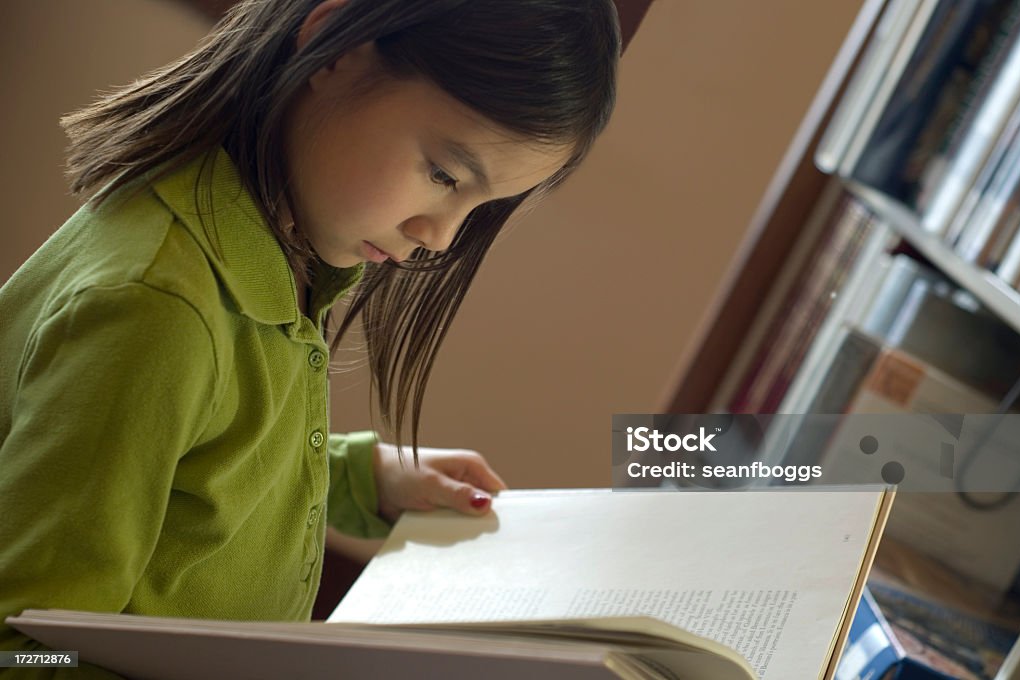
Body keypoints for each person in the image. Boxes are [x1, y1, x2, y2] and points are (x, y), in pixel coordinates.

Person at [0, 0, 619, 675]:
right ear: (332, 48)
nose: (439, 235)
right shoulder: (158, 310)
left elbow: (184, 456)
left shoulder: (275, 250)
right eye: (444, 175)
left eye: (482, 207)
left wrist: (364, 473)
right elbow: (26, 648)